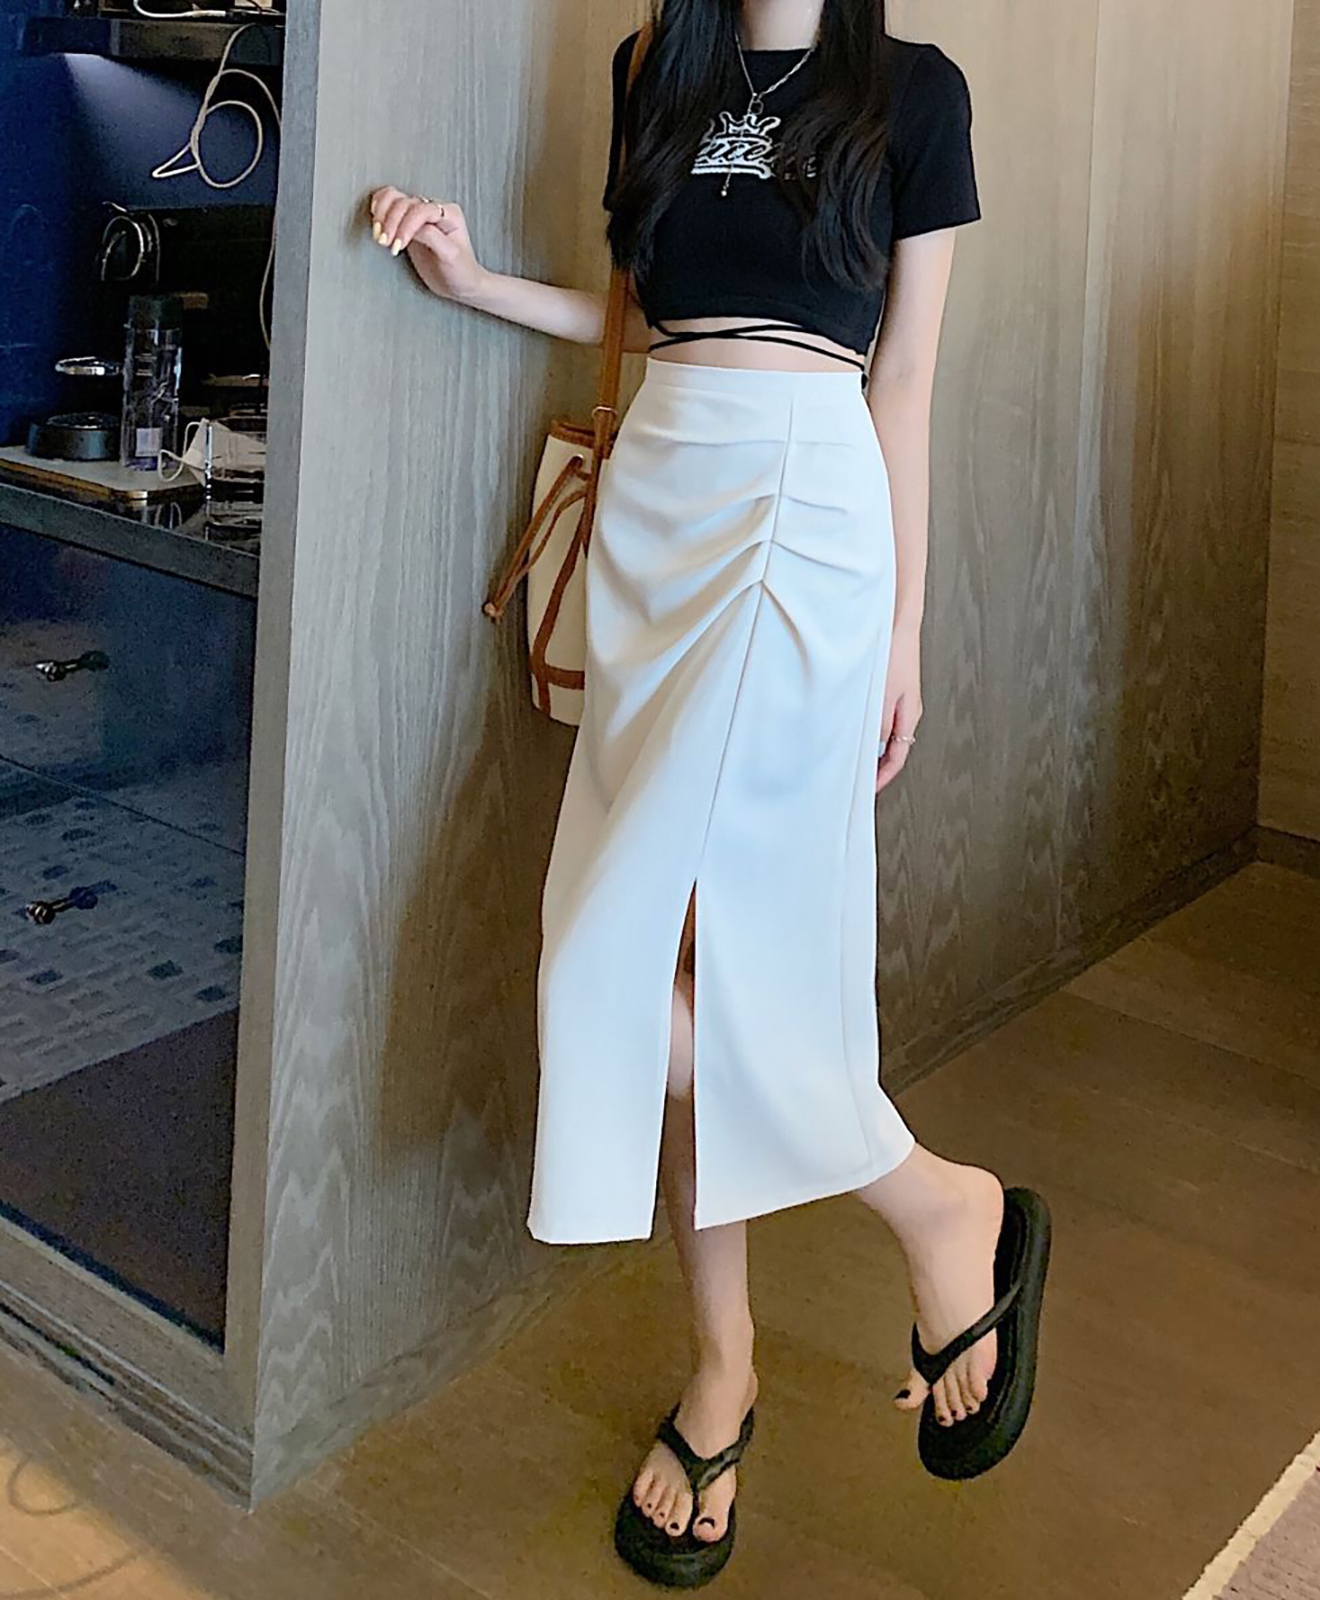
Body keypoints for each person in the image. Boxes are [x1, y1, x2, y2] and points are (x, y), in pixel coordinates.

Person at [367, 0, 1050, 1586]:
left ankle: (926, 1220)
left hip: (804, 517)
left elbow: (904, 380)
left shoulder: (916, 93)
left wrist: (905, 626)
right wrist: (473, 284)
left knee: (616, 972)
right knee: (673, 959)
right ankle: (771, 1327)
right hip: (658, 510)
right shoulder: (652, 67)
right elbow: (644, 315)